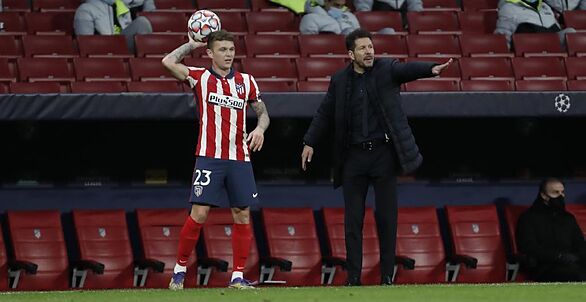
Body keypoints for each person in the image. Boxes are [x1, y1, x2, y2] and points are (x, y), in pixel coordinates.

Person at [300, 28, 452, 286]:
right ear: (351, 54)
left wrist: (431, 69)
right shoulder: (339, 80)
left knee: (386, 218)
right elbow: (324, 112)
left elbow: (406, 70)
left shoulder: (386, 69)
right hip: (353, 158)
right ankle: (354, 278)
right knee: (353, 221)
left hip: (383, 155)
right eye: (362, 48)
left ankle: (386, 277)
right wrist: (309, 141)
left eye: (370, 47)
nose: (369, 51)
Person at [162, 30, 270, 290]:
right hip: (209, 157)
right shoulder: (199, 77)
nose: (229, 54)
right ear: (210, 53)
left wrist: (260, 129)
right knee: (199, 213)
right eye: (222, 50)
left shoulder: (246, 81)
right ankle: (179, 270)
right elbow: (167, 62)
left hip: (239, 158)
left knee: (242, 214)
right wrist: (190, 45)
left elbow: (263, 112)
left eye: (231, 50)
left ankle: (237, 277)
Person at [516, 178, 586, 282]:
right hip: (544, 267)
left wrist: (578, 256)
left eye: (562, 192)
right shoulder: (528, 218)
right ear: (544, 195)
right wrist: (559, 256)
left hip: (572, 263)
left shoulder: (568, 218)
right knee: (576, 274)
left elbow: (580, 243)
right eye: (555, 192)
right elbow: (529, 247)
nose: (561, 196)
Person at [74, 0, 153, 53]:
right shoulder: (85, 9)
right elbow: (85, 46)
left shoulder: (122, 4)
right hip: (103, 50)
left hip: (122, 47)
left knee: (142, 23)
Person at [494, 0, 576, 48]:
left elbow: (556, 30)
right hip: (530, 48)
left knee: (571, 34)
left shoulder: (545, 7)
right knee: (525, 28)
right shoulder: (509, 7)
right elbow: (503, 38)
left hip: (551, 44)